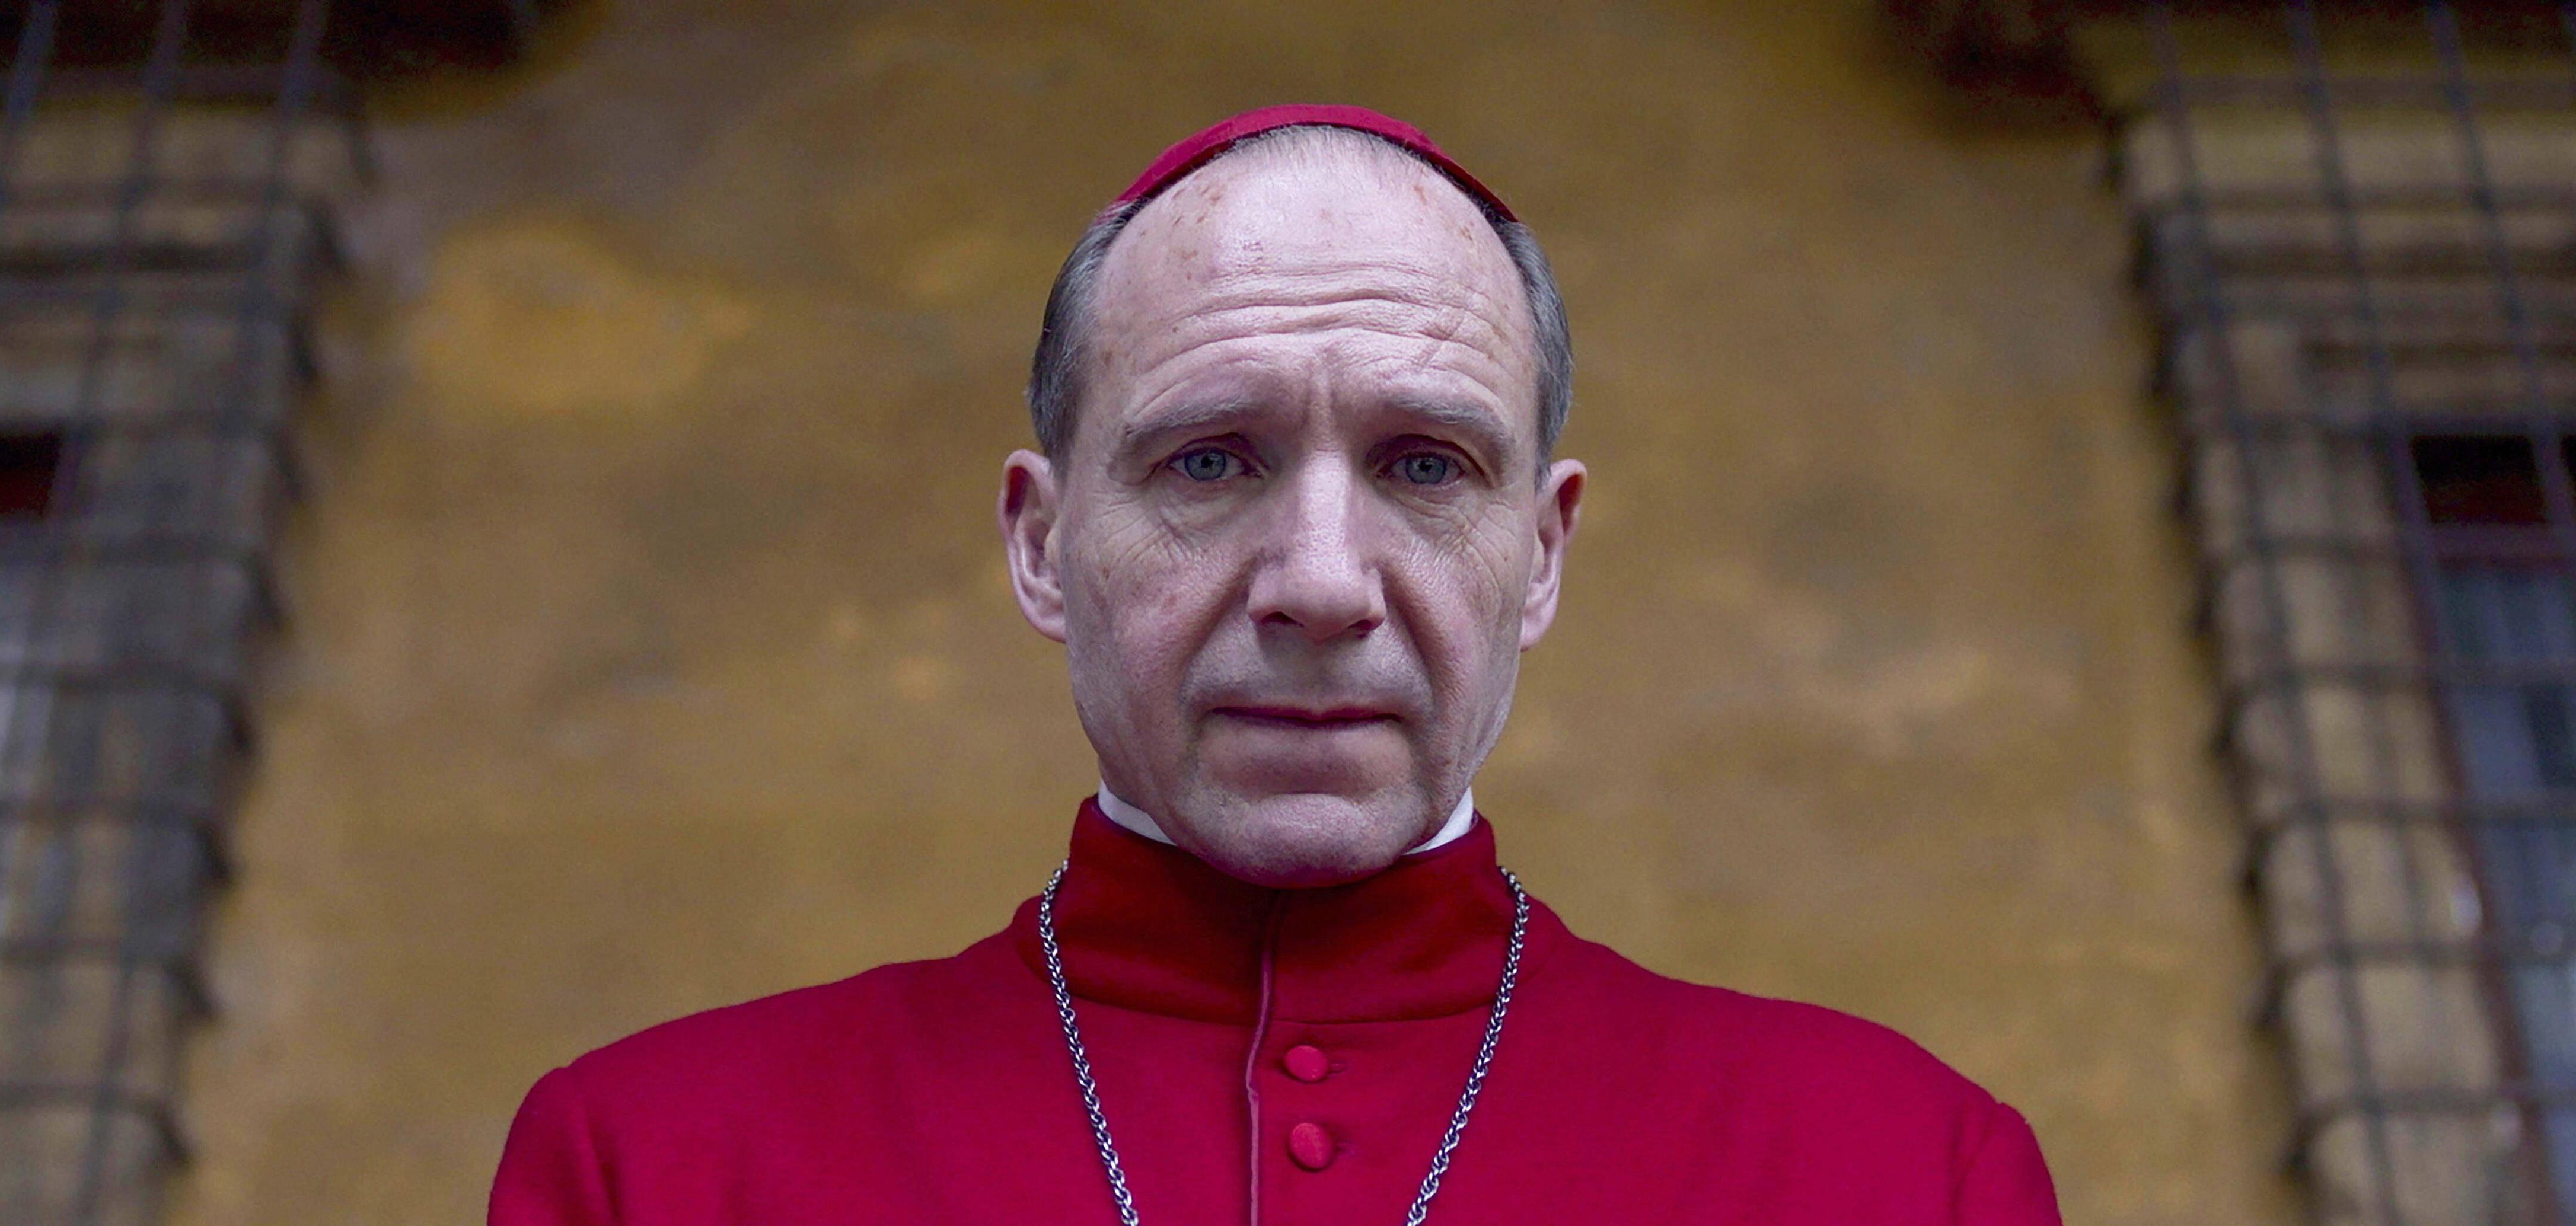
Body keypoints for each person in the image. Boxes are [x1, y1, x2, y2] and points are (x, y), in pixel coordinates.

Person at [487, 104, 2063, 1225]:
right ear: (1042, 543)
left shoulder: (1903, 1171)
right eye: (1210, 461)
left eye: (1426, 465)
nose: (1320, 584)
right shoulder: (655, 1166)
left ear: (1543, 553)